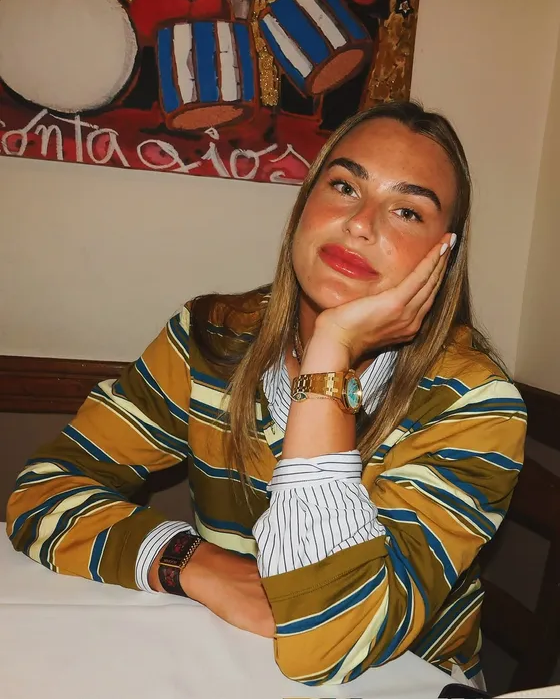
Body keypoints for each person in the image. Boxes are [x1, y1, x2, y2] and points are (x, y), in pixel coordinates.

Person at [5, 100, 527, 688]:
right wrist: (190, 562)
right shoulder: (209, 340)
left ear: (443, 255)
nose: (361, 223)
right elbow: (44, 489)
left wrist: (329, 357)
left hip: (403, 680)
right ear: (305, 203)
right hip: (231, 655)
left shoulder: (474, 404)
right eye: (344, 186)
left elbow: (331, 641)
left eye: (407, 211)